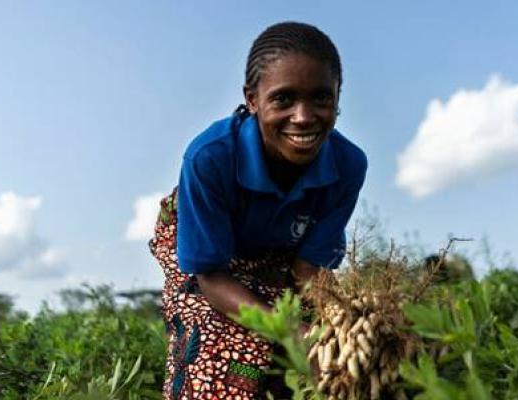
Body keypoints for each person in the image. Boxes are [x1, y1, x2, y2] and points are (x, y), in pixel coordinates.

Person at [149, 21, 367, 399]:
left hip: (279, 252)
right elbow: (211, 275)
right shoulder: (210, 158)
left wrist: (329, 330)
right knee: (222, 347)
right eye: (283, 99)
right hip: (209, 258)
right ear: (252, 100)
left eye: (321, 98)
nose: (303, 117)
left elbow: (308, 269)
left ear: (337, 97)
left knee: (327, 356)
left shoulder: (348, 165)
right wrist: (287, 331)